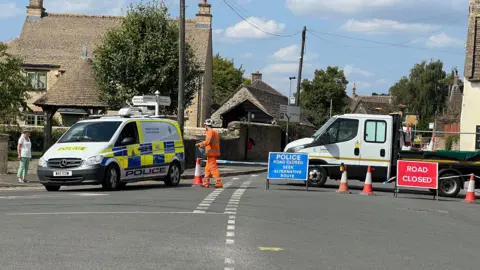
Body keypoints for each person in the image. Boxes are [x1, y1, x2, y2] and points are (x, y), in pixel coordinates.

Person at [195, 119, 222, 188]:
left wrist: (199, 144)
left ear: (206, 125)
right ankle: (205, 182)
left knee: (213, 168)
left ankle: (218, 183)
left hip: (211, 153)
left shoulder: (209, 132)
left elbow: (207, 142)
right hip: (212, 153)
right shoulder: (215, 132)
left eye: (205, 126)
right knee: (207, 169)